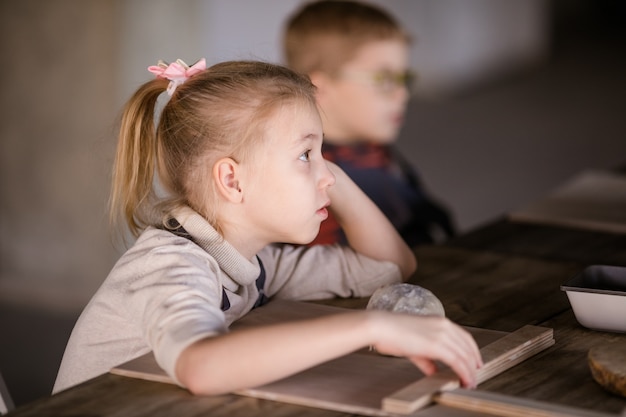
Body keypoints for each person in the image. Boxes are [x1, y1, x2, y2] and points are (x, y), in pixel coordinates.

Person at [53, 59, 481, 395]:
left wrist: (329, 175)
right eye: (304, 156)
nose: (327, 173)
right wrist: (372, 327)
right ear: (233, 181)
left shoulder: (254, 263)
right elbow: (203, 366)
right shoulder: (169, 267)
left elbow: (389, 268)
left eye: (322, 153)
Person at [283, 0, 456, 247]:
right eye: (383, 80)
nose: (402, 94)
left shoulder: (368, 145)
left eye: (403, 78)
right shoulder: (315, 186)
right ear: (319, 88)